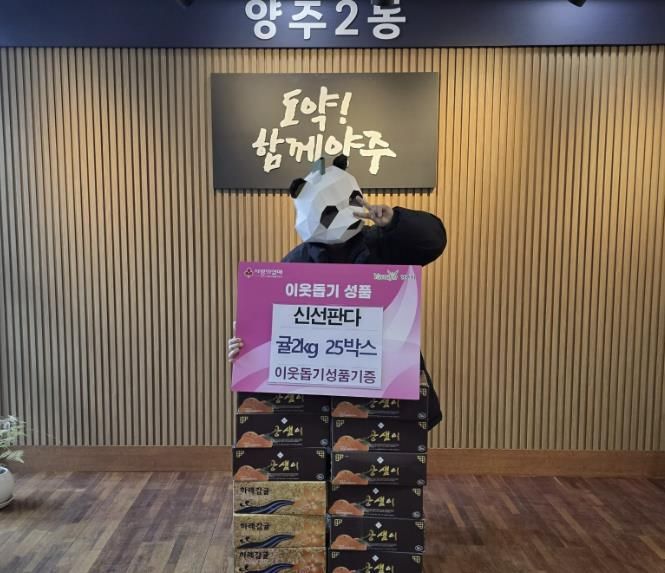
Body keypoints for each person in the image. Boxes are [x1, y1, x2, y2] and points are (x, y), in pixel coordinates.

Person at [228, 155, 447, 429]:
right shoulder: (293, 266)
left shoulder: (384, 243)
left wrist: (394, 221)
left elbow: (433, 242)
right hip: (323, 401)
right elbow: (273, 334)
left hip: (387, 388)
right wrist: (245, 347)